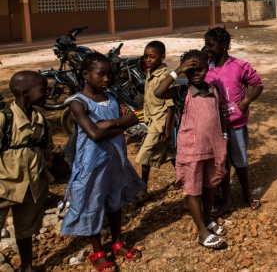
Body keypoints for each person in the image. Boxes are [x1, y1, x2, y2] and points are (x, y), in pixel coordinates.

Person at [60, 53, 145, 272]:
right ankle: (97, 251)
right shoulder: (78, 103)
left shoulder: (112, 97)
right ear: (85, 74)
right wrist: (120, 124)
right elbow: (95, 135)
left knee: (114, 202)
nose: (107, 78)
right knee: (92, 204)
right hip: (91, 164)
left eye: (110, 74)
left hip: (115, 161)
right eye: (101, 74)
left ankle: (117, 242)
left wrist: (112, 122)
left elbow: (134, 118)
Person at [154, 49, 228, 249]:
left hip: (213, 146)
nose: (196, 73)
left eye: (200, 68)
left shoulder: (213, 90)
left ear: (207, 68)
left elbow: (220, 116)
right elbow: (158, 92)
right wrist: (176, 71)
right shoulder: (182, 91)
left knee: (210, 185)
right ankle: (202, 232)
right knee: (194, 189)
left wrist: (225, 138)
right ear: (185, 72)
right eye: (190, 70)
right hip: (191, 149)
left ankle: (207, 219)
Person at [203, 27, 264, 216]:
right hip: (215, 126)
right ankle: (227, 198)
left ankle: (247, 193)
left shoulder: (239, 66)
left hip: (236, 125)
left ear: (225, 46)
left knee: (240, 161)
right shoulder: (206, 68)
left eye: (211, 45)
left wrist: (245, 102)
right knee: (222, 163)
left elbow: (258, 85)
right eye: (206, 44)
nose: (207, 48)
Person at [0, 71, 53, 272]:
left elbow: (47, 149)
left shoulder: (40, 120)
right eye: (43, 90)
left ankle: (27, 267)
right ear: (25, 93)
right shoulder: (4, 119)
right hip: (4, 187)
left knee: (25, 230)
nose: (47, 94)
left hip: (31, 188)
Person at [135, 40, 176, 201]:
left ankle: (142, 189)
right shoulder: (150, 73)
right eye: (146, 57)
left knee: (145, 155)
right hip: (152, 120)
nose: (148, 60)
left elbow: (170, 105)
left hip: (160, 122)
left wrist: (167, 128)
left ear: (162, 57)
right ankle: (184, 179)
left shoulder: (164, 76)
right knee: (172, 154)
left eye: (152, 57)